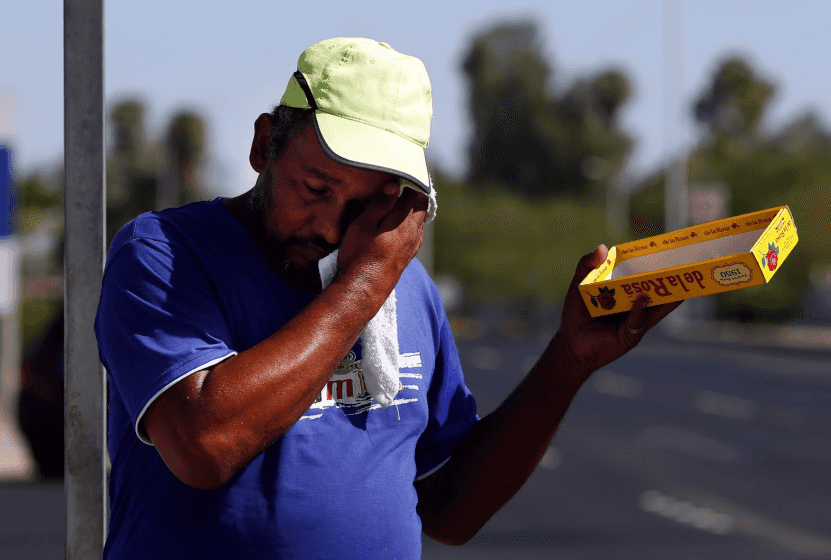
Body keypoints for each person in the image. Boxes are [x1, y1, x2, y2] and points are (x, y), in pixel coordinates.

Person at [95, 37, 682, 559]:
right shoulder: (164, 252)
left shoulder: (402, 286)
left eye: (362, 208)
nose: (330, 228)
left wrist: (568, 360)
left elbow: (450, 511)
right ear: (264, 144)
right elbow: (204, 445)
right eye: (315, 188)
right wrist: (366, 284)